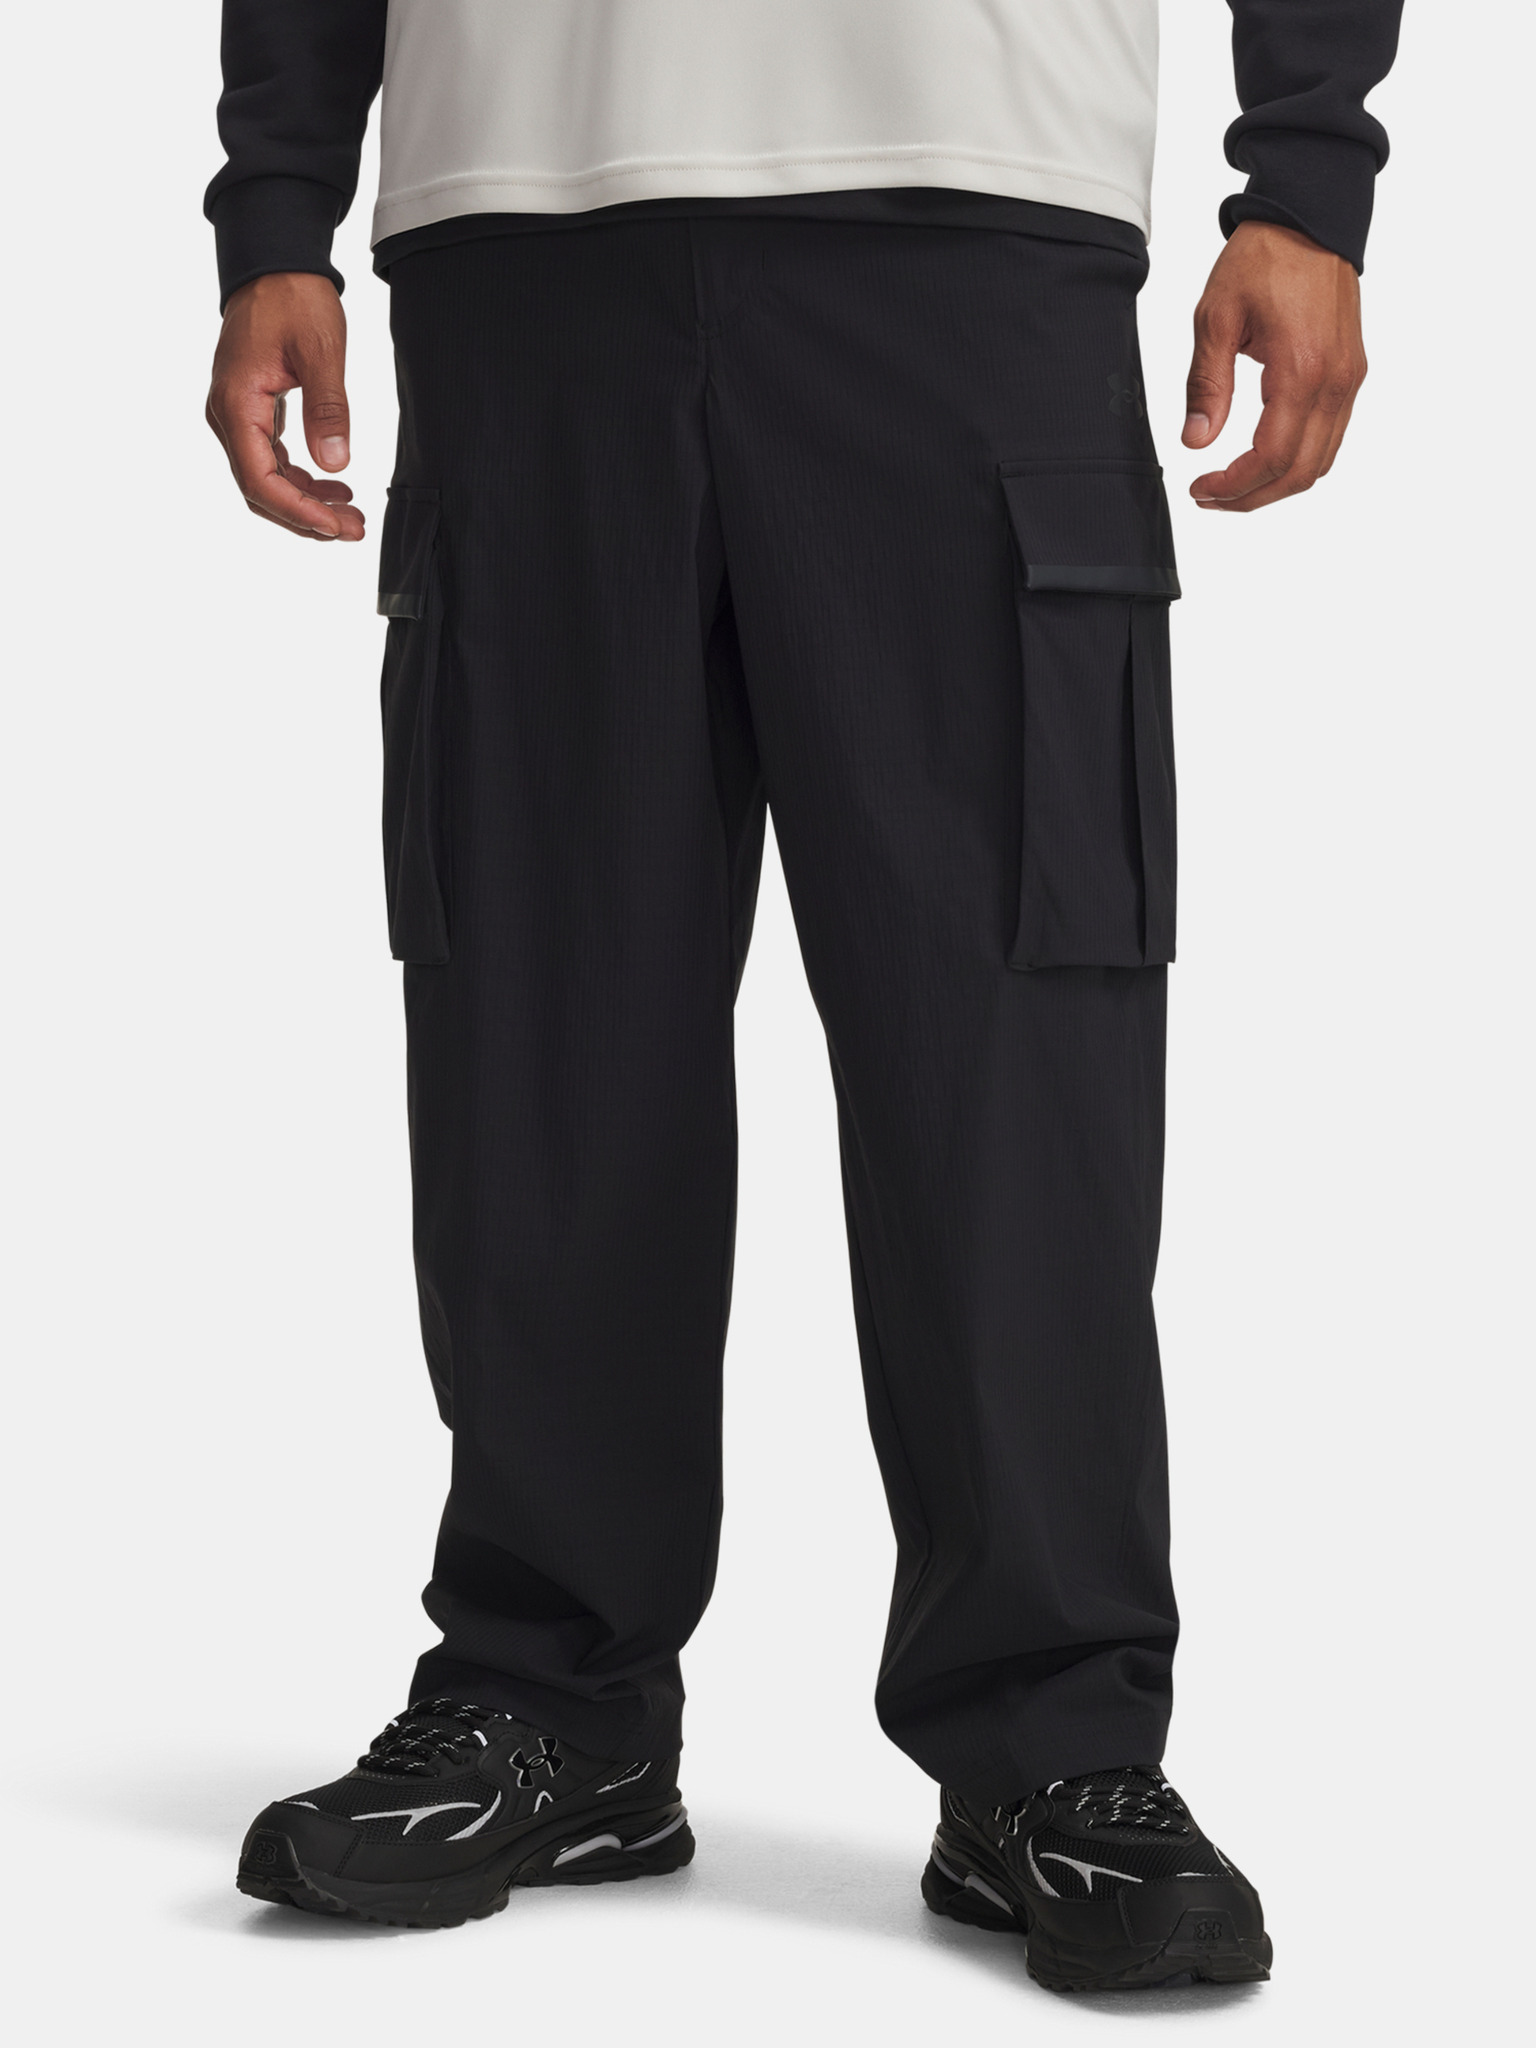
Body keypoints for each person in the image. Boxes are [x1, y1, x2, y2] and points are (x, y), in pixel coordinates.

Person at [205, 0, 1401, 1987]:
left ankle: (1054, 1741)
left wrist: (1307, 173)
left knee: (1007, 1044)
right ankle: (555, 1697)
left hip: (976, 207)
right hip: (522, 237)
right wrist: (275, 212)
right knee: (541, 1026)